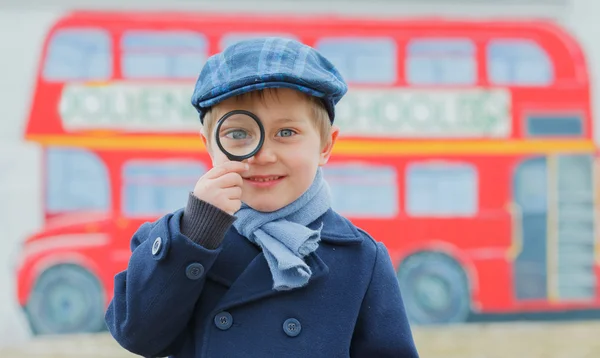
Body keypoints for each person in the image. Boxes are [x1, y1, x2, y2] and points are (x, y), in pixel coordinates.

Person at [105, 37, 420, 358]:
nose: (264, 155)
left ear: (326, 146)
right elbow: (137, 336)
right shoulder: (180, 240)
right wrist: (195, 235)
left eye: (286, 133)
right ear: (209, 145)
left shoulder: (360, 258)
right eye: (238, 134)